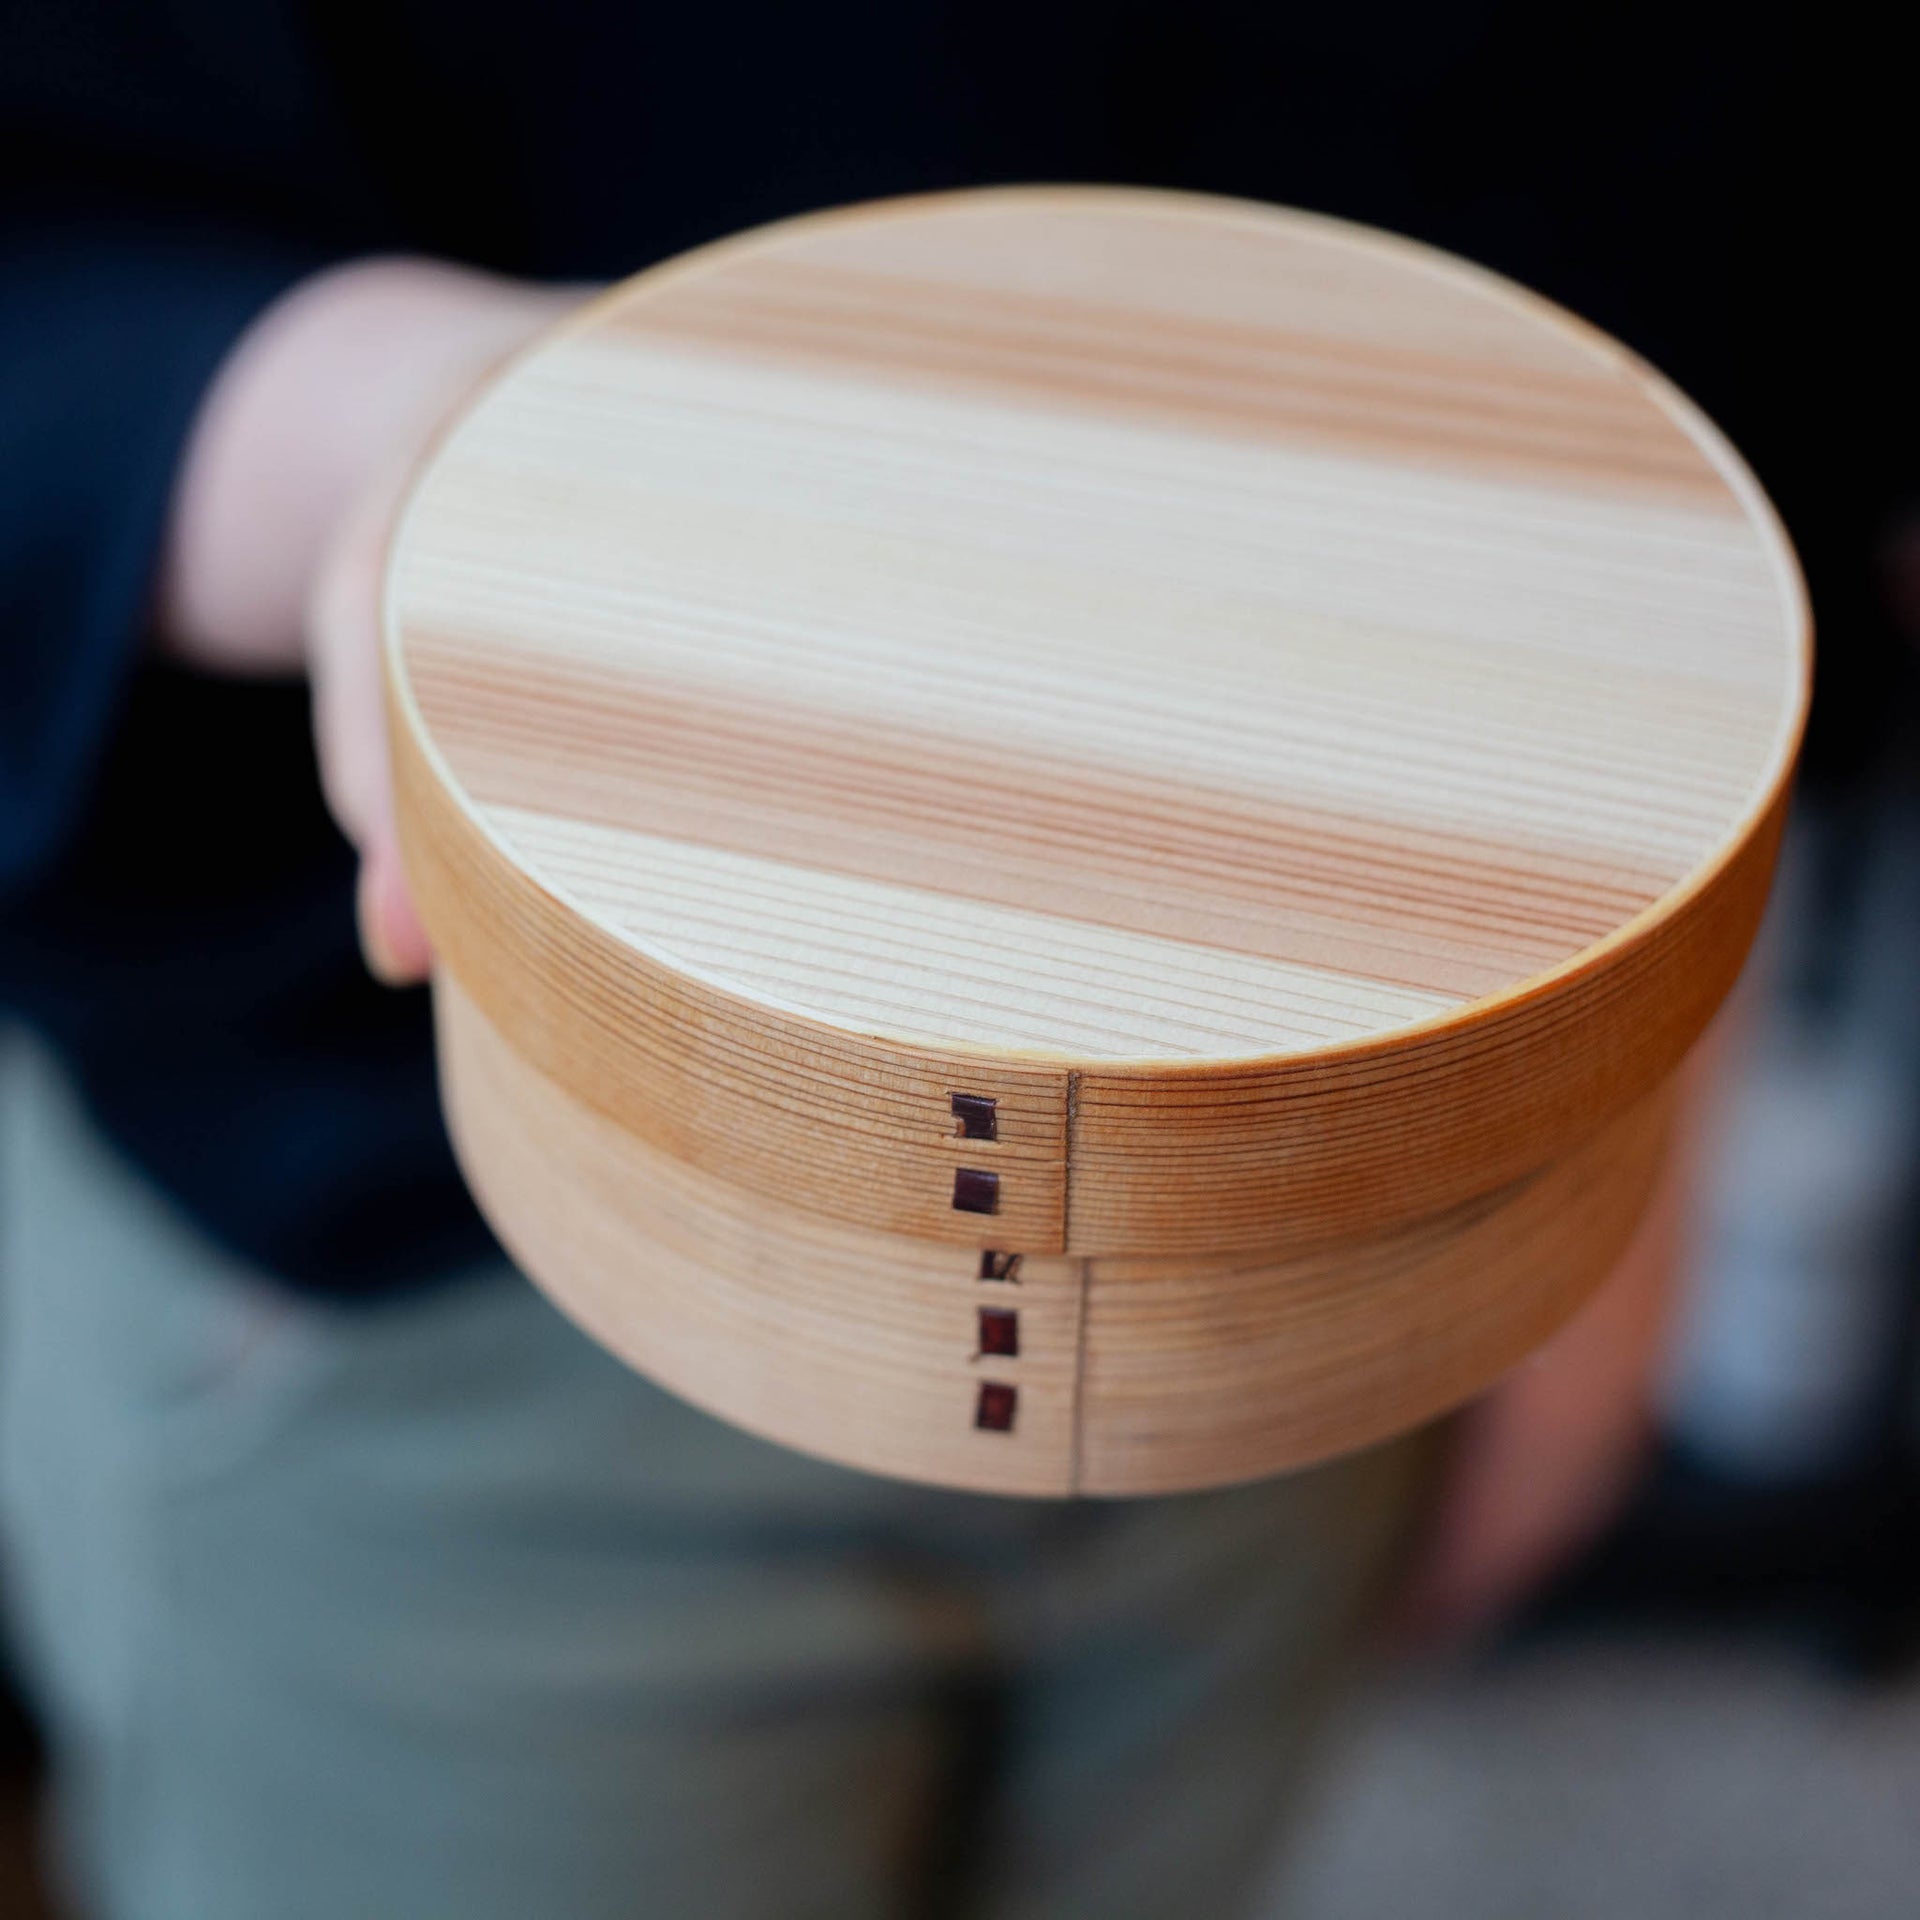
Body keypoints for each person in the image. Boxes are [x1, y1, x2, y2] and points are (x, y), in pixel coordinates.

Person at [0, 5, 1853, 1915]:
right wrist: (418, 412)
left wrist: (1639, 1083)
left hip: (1346, 1215)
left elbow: (1692, 156)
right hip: (412, 1285)